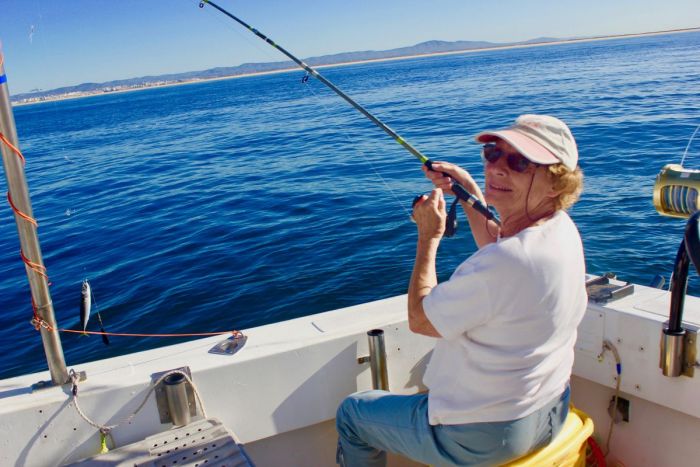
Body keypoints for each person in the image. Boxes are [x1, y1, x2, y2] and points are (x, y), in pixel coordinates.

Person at [336, 114, 587, 466]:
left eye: (519, 162)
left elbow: (422, 320)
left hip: (486, 435)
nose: (498, 168)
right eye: (492, 153)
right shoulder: (560, 230)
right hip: (548, 412)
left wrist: (427, 237)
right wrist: (466, 188)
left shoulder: (509, 261)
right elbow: (498, 244)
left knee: (353, 413)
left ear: (557, 184)